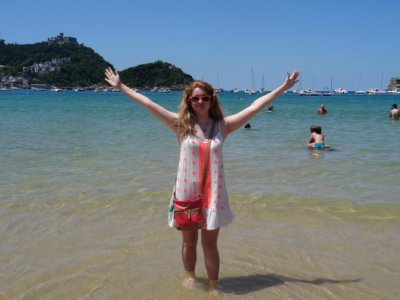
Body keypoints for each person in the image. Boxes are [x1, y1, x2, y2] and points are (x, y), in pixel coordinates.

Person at [104, 67, 299, 294]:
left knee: (210, 244)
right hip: (186, 193)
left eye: (204, 98)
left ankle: (214, 285)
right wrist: (121, 87)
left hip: (213, 196)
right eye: (195, 98)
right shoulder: (180, 124)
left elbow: (255, 106)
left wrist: (283, 88)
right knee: (188, 242)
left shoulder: (223, 126)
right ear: (188, 100)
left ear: (211, 100)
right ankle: (189, 278)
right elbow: (148, 104)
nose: (199, 102)